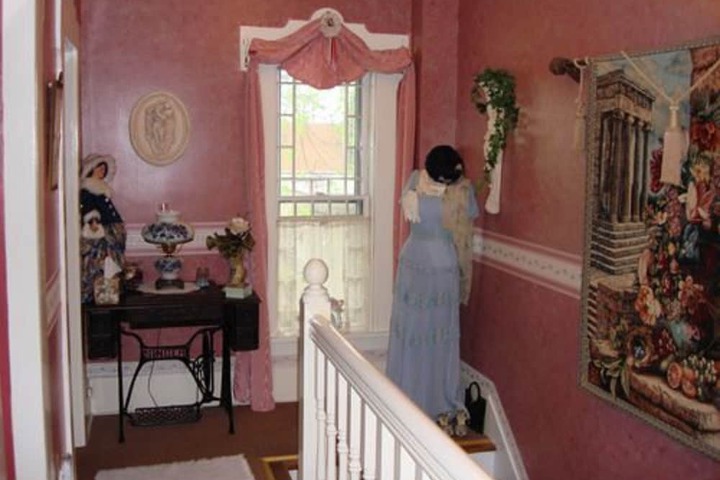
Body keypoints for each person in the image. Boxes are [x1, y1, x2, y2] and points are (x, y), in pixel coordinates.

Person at [386, 145, 479, 421]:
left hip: (434, 265)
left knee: (432, 331)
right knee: (415, 330)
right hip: (421, 262)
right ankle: (409, 394)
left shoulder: (460, 191)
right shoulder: (418, 180)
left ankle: (432, 397)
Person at [80, 153, 126, 303]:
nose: (101, 171)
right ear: (91, 169)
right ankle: (101, 292)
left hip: (112, 228)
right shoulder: (88, 188)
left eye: (103, 169)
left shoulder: (101, 188)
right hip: (103, 231)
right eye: (99, 168)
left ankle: (110, 289)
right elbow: (89, 208)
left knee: (111, 262)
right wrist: (93, 221)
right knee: (103, 260)